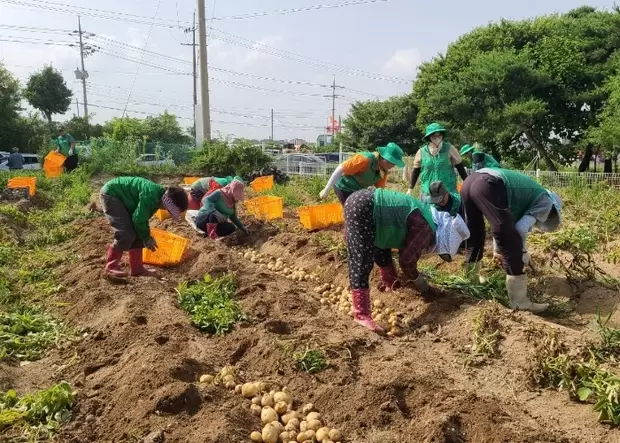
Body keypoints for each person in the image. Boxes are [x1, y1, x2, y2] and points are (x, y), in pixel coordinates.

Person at [343, 188, 468, 332]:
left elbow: (396, 243)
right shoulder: (426, 228)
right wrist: (419, 281)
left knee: (382, 245)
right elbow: (406, 260)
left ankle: (390, 282)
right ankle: (361, 314)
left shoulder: (428, 217)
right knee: (362, 260)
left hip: (366, 204)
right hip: (364, 206)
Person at [461, 168, 563, 313]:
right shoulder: (546, 201)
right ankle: (519, 301)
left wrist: (497, 251)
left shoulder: (525, 198)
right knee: (512, 242)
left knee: (476, 232)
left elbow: (500, 224)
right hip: (487, 184)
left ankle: (471, 281)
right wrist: (522, 252)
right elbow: (519, 229)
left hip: (469, 182)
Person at [100, 177, 189, 278]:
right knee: (126, 234)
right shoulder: (151, 196)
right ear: (169, 203)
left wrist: (145, 236)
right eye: (172, 210)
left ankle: (137, 269)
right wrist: (147, 237)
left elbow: (141, 220)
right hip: (112, 194)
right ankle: (111, 266)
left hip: (125, 199)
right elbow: (138, 219)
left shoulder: (158, 197)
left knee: (138, 231)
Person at [319, 142, 405, 205]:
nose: (393, 166)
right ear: (383, 158)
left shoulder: (383, 171)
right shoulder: (364, 159)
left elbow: (380, 190)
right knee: (352, 210)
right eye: (392, 162)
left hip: (357, 190)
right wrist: (327, 189)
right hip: (343, 186)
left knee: (364, 209)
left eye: (395, 163)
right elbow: (340, 168)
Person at [407, 123, 468, 202]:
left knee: (449, 213)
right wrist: (410, 188)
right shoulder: (421, 152)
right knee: (429, 214)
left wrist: (467, 184)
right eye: (434, 137)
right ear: (429, 138)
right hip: (428, 194)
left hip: (448, 192)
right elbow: (416, 171)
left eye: (439, 136)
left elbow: (460, 168)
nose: (437, 138)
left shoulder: (449, 148)